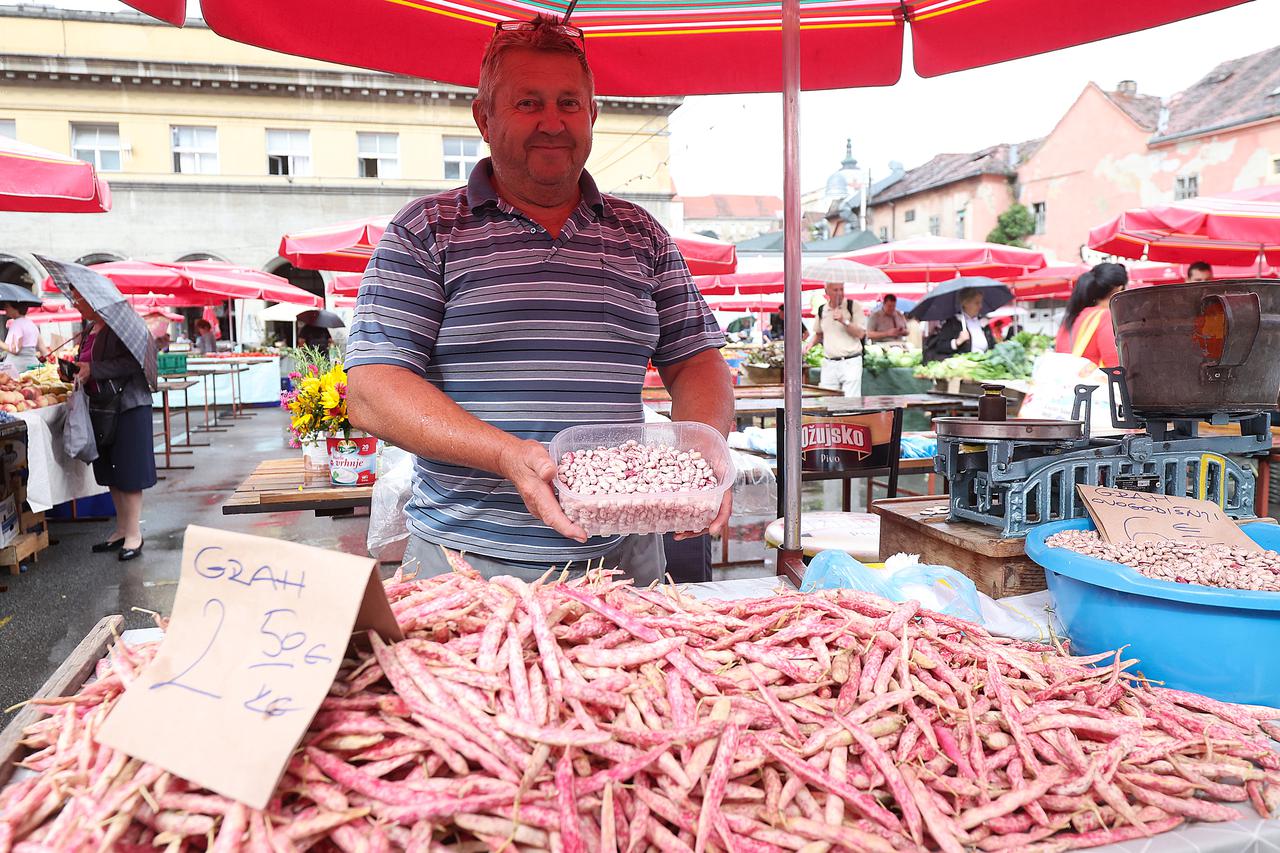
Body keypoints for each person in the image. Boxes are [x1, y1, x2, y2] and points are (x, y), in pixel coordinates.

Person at [344, 15, 733, 584]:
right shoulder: (426, 230)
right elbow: (373, 390)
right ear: (484, 117)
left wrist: (702, 452)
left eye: (569, 103)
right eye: (528, 103)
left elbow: (698, 360)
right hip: (466, 564)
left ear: (592, 115)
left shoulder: (641, 235)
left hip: (624, 559)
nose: (553, 122)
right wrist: (507, 454)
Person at [70, 286, 156, 562]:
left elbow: (132, 363)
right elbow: (87, 362)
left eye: (78, 296)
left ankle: (134, 534)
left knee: (129, 473)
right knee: (110, 470)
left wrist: (93, 370)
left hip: (128, 406)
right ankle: (121, 529)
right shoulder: (89, 329)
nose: (75, 302)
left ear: (94, 298)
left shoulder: (121, 326)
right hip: (101, 405)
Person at [1054, 262, 1128, 368]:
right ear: (1118, 288)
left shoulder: (1074, 316)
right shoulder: (1104, 316)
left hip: (1071, 382)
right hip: (1095, 383)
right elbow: (1115, 365)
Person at [804, 282, 866, 396]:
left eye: (841, 289)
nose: (839, 293)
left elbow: (861, 333)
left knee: (850, 401)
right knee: (828, 400)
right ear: (827, 292)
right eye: (835, 290)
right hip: (829, 362)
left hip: (850, 361)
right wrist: (809, 344)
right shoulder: (822, 310)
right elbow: (819, 333)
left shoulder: (853, 306)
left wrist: (844, 321)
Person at [922, 287, 997, 363]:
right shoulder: (952, 323)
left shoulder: (983, 322)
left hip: (984, 365)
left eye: (981, 302)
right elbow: (940, 346)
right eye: (977, 303)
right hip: (964, 367)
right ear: (965, 303)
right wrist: (957, 341)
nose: (980, 306)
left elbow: (992, 345)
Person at [2, 303, 47, 373]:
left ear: (15, 308)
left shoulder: (16, 324)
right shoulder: (31, 324)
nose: (5, 309)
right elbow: (43, 350)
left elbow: (15, 349)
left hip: (17, 368)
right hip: (33, 366)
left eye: (7, 306)